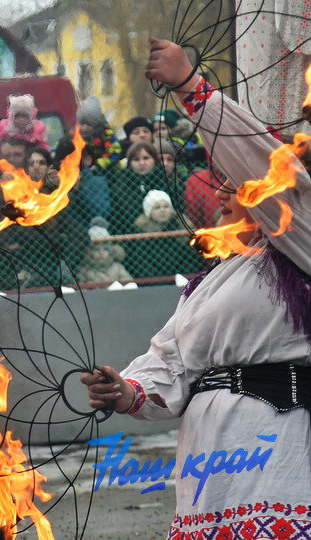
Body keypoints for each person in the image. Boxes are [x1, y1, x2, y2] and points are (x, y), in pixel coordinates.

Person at [82, 38, 311, 538]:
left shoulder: (302, 242)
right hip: (208, 464)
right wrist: (125, 391)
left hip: (276, 451)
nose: (223, 191)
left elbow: (271, 168)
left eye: (237, 182)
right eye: (220, 180)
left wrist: (191, 87)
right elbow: (171, 363)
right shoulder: (211, 283)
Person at [126, 189, 202, 279]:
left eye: (166, 206)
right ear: (149, 212)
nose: (162, 210)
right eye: (157, 207)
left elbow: (191, 258)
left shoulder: (180, 225)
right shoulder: (141, 232)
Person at [108, 141, 171, 234]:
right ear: (130, 163)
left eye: (146, 158)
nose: (142, 163)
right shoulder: (121, 185)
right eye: (136, 159)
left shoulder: (166, 181)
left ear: (154, 160)